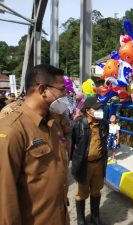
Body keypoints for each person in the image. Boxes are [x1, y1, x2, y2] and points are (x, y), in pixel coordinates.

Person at [0, 64, 70, 225]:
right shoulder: (12, 131)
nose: (65, 96)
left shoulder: (54, 123)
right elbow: (4, 197)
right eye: (61, 90)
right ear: (43, 90)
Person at [71, 96, 109, 225]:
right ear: (88, 111)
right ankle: (81, 220)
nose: (100, 110)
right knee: (82, 193)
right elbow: (72, 147)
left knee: (96, 191)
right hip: (84, 165)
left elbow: (104, 144)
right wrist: (75, 164)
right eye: (97, 108)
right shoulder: (78, 124)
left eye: (101, 107)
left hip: (98, 164)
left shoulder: (104, 124)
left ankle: (95, 217)